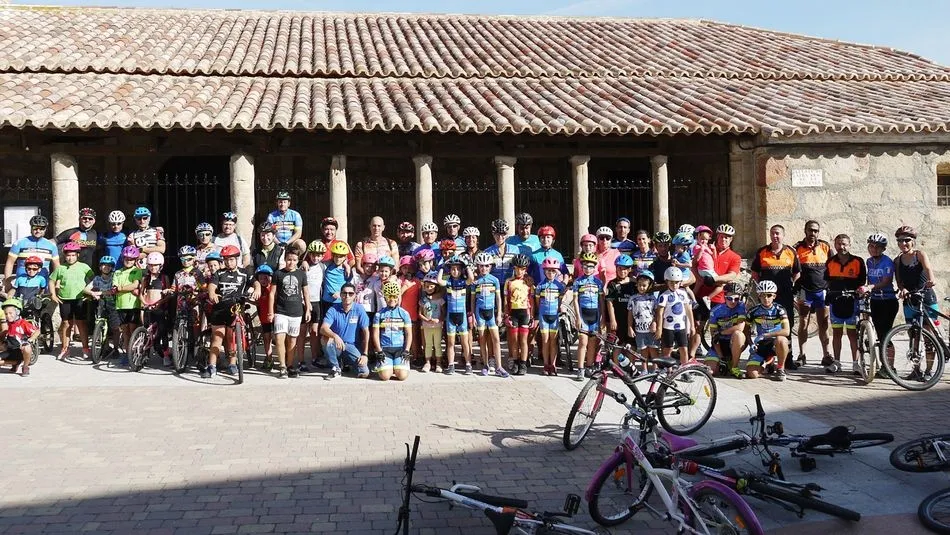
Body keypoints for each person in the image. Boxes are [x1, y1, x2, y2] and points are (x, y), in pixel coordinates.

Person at [750, 224, 801, 369]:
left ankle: (787, 360)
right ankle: (768, 358)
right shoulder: (762, 252)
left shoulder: (791, 251)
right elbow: (754, 272)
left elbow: (797, 272)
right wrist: (762, 289)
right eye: (772, 233)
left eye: (778, 233)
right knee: (766, 326)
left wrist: (793, 286)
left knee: (787, 327)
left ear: (783, 235)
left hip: (785, 296)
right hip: (767, 298)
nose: (775, 236)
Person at [893, 225, 939, 380]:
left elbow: (928, 268)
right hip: (910, 300)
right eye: (900, 240)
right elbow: (899, 281)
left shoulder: (920, 254)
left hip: (926, 297)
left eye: (907, 240)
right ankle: (916, 369)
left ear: (913, 241)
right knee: (913, 336)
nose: (903, 243)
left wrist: (931, 279)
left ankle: (929, 370)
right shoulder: (897, 260)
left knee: (928, 337)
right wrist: (902, 289)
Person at [692, 224, 741, 360]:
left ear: (731, 240)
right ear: (717, 237)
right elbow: (694, 264)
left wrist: (714, 279)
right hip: (701, 295)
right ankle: (692, 356)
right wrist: (698, 278)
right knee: (697, 327)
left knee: (717, 329)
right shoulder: (707, 250)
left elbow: (731, 275)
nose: (723, 239)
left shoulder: (734, 257)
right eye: (721, 236)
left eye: (727, 237)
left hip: (720, 299)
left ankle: (719, 355)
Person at [823, 234, 867, 375]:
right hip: (836, 302)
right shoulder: (830, 262)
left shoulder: (858, 261)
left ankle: (855, 364)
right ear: (835, 245)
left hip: (852, 302)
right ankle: (837, 362)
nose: (841, 247)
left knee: (852, 334)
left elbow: (861, 282)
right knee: (836, 333)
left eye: (844, 244)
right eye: (839, 244)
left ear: (849, 245)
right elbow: (827, 281)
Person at [205, 245, 249, 378]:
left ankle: (232, 364)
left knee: (232, 338)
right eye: (226, 260)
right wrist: (212, 293)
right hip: (219, 308)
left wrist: (256, 290)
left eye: (231, 260)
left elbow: (255, 283)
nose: (228, 263)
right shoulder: (219, 273)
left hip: (236, 309)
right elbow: (212, 285)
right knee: (217, 337)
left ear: (237, 259)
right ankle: (211, 365)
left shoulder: (245, 273)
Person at [793, 220, 833, 367]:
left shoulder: (825, 246)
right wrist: (795, 287)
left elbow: (832, 266)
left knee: (823, 323)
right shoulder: (797, 248)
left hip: (822, 291)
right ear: (805, 230)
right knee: (803, 322)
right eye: (810, 230)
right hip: (805, 291)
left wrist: (830, 287)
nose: (813, 233)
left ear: (818, 232)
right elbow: (794, 270)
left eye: (816, 231)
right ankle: (802, 354)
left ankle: (826, 354)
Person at [269, 248, 310, 378]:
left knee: (292, 341)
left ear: (297, 261)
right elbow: (272, 294)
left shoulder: (301, 274)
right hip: (281, 312)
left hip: (296, 312)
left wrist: (307, 309)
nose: (291, 262)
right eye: (289, 260)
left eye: (294, 260)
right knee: (280, 339)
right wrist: (271, 312)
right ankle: (282, 366)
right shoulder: (278, 274)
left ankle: (289, 365)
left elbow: (306, 293)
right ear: (285, 260)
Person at [49, 242, 93, 359]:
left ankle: (85, 348)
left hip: (80, 299)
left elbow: (94, 279)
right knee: (66, 324)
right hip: (65, 299)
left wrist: (90, 292)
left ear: (78, 255)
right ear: (64, 256)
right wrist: (53, 294)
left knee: (81, 324)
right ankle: (65, 348)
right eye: (68, 255)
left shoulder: (84, 267)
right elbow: (51, 281)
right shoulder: (60, 268)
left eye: (73, 255)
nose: (70, 258)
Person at [862, 233, 898, 369]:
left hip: (888, 301)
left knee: (885, 334)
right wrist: (866, 290)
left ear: (883, 248)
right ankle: (884, 365)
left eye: (878, 247)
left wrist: (870, 287)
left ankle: (890, 367)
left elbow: (886, 281)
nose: (874, 249)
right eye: (871, 246)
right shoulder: (869, 261)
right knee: (878, 333)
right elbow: (869, 279)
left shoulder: (887, 262)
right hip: (875, 300)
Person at [320, 282, 370, 380]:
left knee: (364, 372)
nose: (347, 296)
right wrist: (335, 336)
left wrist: (365, 354)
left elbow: (366, 332)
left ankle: (347, 363)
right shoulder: (333, 309)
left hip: (352, 346)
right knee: (326, 338)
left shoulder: (359, 309)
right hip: (336, 344)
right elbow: (323, 328)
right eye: (344, 293)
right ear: (341, 294)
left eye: (350, 293)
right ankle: (336, 368)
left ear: (355, 295)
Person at [745, 280, 791, 381]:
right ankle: (768, 364)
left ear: (774, 296)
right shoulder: (753, 311)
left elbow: (786, 331)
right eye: (762, 295)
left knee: (782, 340)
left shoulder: (780, 310)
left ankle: (780, 368)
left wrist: (767, 335)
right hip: (761, 344)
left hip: (776, 343)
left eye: (769, 295)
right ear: (759, 296)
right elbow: (746, 331)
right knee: (752, 374)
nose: (766, 298)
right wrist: (750, 343)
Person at [471, 252, 506, 377]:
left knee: (496, 339)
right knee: (482, 340)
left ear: (491, 266)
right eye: (481, 266)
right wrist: (473, 316)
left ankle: (499, 366)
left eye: (486, 266)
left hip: (491, 313)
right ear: (478, 267)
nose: (484, 268)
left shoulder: (494, 280)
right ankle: (485, 364)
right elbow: (473, 300)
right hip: (479, 313)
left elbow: (498, 298)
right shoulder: (475, 282)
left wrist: (499, 313)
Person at [4, 214, 59, 293]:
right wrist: (7, 281)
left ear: (46, 229)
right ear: (31, 228)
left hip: (43, 286)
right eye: (35, 228)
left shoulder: (51, 245)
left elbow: (57, 266)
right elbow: (9, 263)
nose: (38, 231)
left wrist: (57, 283)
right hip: (22, 285)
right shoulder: (19, 243)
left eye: (41, 228)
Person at [572, 251, 604, 381]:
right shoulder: (577, 282)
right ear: (581, 266)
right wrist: (577, 317)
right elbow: (575, 300)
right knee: (582, 342)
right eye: (585, 266)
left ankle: (589, 366)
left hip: (595, 315)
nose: (588, 269)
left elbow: (601, 301)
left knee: (592, 343)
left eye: (590, 266)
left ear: (595, 267)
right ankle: (580, 368)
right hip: (583, 315)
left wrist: (602, 318)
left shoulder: (598, 282)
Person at [705, 282, 747, 378]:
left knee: (738, 334)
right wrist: (721, 357)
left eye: (736, 299)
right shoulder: (715, 311)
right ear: (724, 297)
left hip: (734, 342)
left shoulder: (741, 306)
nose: (733, 301)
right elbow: (714, 337)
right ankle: (724, 361)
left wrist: (721, 332)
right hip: (720, 344)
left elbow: (740, 327)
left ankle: (734, 367)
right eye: (729, 298)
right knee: (711, 372)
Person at [372, 280, 412, 381]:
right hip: (385, 349)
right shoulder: (379, 314)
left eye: (394, 296)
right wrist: (379, 351)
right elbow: (375, 334)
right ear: (385, 297)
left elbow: (409, 334)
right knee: (385, 377)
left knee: (402, 376)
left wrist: (407, 350)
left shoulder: (404, 313)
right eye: (389, 296)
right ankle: (391, 365)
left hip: (400, 349)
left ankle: (396, 365)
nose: (392, 299)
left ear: (398, 297)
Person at [140, 252, 174, 366]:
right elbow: (141, 293)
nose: (153, 267)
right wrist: (144, 302)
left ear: (161, 265)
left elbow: (168, 295)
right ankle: (145, 354)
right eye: (151, 265)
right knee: (146, 332)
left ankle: (165, 355)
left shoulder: (164, 278)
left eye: (155, 265)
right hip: (148, 308)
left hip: (160, 309)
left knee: (162, 332)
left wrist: (160, 303)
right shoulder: (145, 278)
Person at [83, 256, 121, 359]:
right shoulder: (97, 279)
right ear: (100, 267)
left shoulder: (114, 277)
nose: (106, 267)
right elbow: (86, 289)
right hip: (101, 304)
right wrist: (92, 293)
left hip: (113, 305)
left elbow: (114, 290)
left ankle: (116, 348)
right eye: (104, 265)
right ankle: (106, 347)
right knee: (102, 325)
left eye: (109, 266)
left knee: (115, 328)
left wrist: (99, 292)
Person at [655, 267, 694, 365]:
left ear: (680, 282)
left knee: (684, 348)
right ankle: (667, 368)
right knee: (668, 349)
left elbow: (688, 309)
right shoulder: (664, 296)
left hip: (681, 326)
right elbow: (660, 312)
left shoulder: (683, 294)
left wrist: (692, 325)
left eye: (676, 282)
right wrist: (659, 328)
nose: (674, 285)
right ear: (667, 282)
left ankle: (684, 369)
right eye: (671, 282)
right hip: (668, 327)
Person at [505, 254, 536, 375]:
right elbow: (506, 300)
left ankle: (523, 363)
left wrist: (532, 316)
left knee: (523, 340)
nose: (519, 271)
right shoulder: (509, 282)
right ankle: (515, 362)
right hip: (513, 312)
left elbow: (532, 301)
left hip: (525, 313)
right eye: (517, 268)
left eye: (522, 269)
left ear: (525, 269)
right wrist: (506, 315)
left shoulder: (528, 282)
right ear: (514, 268)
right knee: (514, 340)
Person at [536, 257, 566, 376]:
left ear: (557, 272)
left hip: (554, 316)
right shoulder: (540, 286)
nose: (551, 273)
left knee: (553, 341)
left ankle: (552, 365)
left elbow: (560, 301)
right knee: (545, 341)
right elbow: (538, 303)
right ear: (544, 271)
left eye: (553, 271)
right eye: (548, 271)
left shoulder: (559, 286)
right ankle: (545, 364)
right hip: (544, 316)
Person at [443, 255, 473, 375]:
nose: (455, 271)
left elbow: (471, 279)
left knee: (465, 343)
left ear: (462, 270)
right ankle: (451, 365)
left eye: (458, 269)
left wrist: (467, 266)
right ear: (450, 270)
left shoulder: (463, 281)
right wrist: (443, 268)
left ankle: (468, 364)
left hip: (462, 316)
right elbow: (439, 280)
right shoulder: (448, 281)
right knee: (451, 343)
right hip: (450, 316)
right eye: (453, 269)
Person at [114, 246, 144, 365]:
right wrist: (124, 288)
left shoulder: (137, 271)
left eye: (131, 259)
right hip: (120, 305)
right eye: (126, 259)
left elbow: (135, 285)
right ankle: (127, 354)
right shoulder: (117, 272)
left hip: (133, 304)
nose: (129, 261)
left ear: (135, 260)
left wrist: (121, 288)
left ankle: (135, 352)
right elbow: (115, 288)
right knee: (125, 331)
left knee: (133, 330)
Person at [300, 240, 327, 369]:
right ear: (309, 254)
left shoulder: (323, 267)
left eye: (319, 255)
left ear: (322, 256)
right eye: (313, 255)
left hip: (317, 302)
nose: (316, 257)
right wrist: (306, 303)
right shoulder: (304, 267)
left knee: (315, 332)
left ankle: (315, 357)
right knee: (302, 331)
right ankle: (300, 360)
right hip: (305, 302)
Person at [605, 255, 636, 355]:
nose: (622, 271)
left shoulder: (634, 283)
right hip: (618, 318)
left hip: (631, 319)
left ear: (630, 269)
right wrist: (612, 320)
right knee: (617, 344)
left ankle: (631, 368)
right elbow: (610, 303)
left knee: (631, 345)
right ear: (616, 268)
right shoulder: (612, 284)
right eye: (620, 268)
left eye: (625, 269)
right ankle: (616, 368)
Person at [0, 298, 39, 376]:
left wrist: (30, 340)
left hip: (20, 350)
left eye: (10, 313)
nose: (8, 316)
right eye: (6, 314)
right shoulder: (8, 324)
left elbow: (37, 331)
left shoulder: (23, 323)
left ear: (17, 312)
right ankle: (15, 363)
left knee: (27, 347)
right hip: (10, 350)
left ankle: (25, 366)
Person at [627, 270, 658, 369]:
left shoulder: (653, 298)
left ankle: (655, 368)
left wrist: (655, 323)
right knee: (643, 350)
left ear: (649, 286)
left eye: (644, 285)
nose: (641, 287)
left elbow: (657, 313)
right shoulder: (633, 298)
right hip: (639, 330)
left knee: (653, 350)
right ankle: (644, 369)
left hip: (651, 330)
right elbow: (630, 314)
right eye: (639, 285)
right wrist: (630, 327)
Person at [485, 219, 527, 288]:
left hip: (510, 286)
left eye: (503, 234)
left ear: (507, 234)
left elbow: (520, 267)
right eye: (497, 234)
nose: (500, 237)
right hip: (493, 286)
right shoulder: (488, 251)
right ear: (493, 234)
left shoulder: (515, 249)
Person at [418, 274, 445, 373]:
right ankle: (427, 362)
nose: (429, 288)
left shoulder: (440, 299)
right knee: (428, 344)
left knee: (437, 344)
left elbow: (443, 312)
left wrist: (439, 319)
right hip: (426, 326)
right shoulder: (423, 300)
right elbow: (419, 313)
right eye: (427, 286)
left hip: (437, 326)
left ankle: (438, 363)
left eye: (431, 286)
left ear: (436, 287)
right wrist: (425, 319)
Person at [252, 265, 275, 369]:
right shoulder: (258, 290)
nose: (264, 280)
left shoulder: (273, 288)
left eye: (266, 277)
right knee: (267, 338)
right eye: (261, 278)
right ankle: (269, 358)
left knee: (279, 339)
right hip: (264, 319)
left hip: (276, 317)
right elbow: (256, 302)